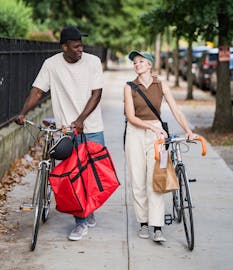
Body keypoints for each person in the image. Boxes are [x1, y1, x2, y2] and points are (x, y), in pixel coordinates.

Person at [15, 25, 105, 241]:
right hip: (66, 132)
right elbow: (37, 91)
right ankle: (80, 222)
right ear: (64, 47)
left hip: (92, 128)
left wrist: (81, 120)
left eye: (81, 46)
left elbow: (97, 94)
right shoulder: (51, 64)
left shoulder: (93, 62)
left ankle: (88, 209)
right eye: (75, 47)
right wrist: (22, 113)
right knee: (74, 178)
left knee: (91, 177)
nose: (80, 50)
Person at [124, 50, 197, 243]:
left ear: (149, 65)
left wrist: (188, 130)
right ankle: (143, 223)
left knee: (155, 179)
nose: (136, 64)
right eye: (134, 62)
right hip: (135, 133)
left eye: (140, 61)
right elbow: (131, 116)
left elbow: (176, 109)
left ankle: (157, 226)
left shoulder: (161, 84)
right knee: (138, 180)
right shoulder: (129, 87)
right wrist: (151, 127)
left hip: (157, 134)